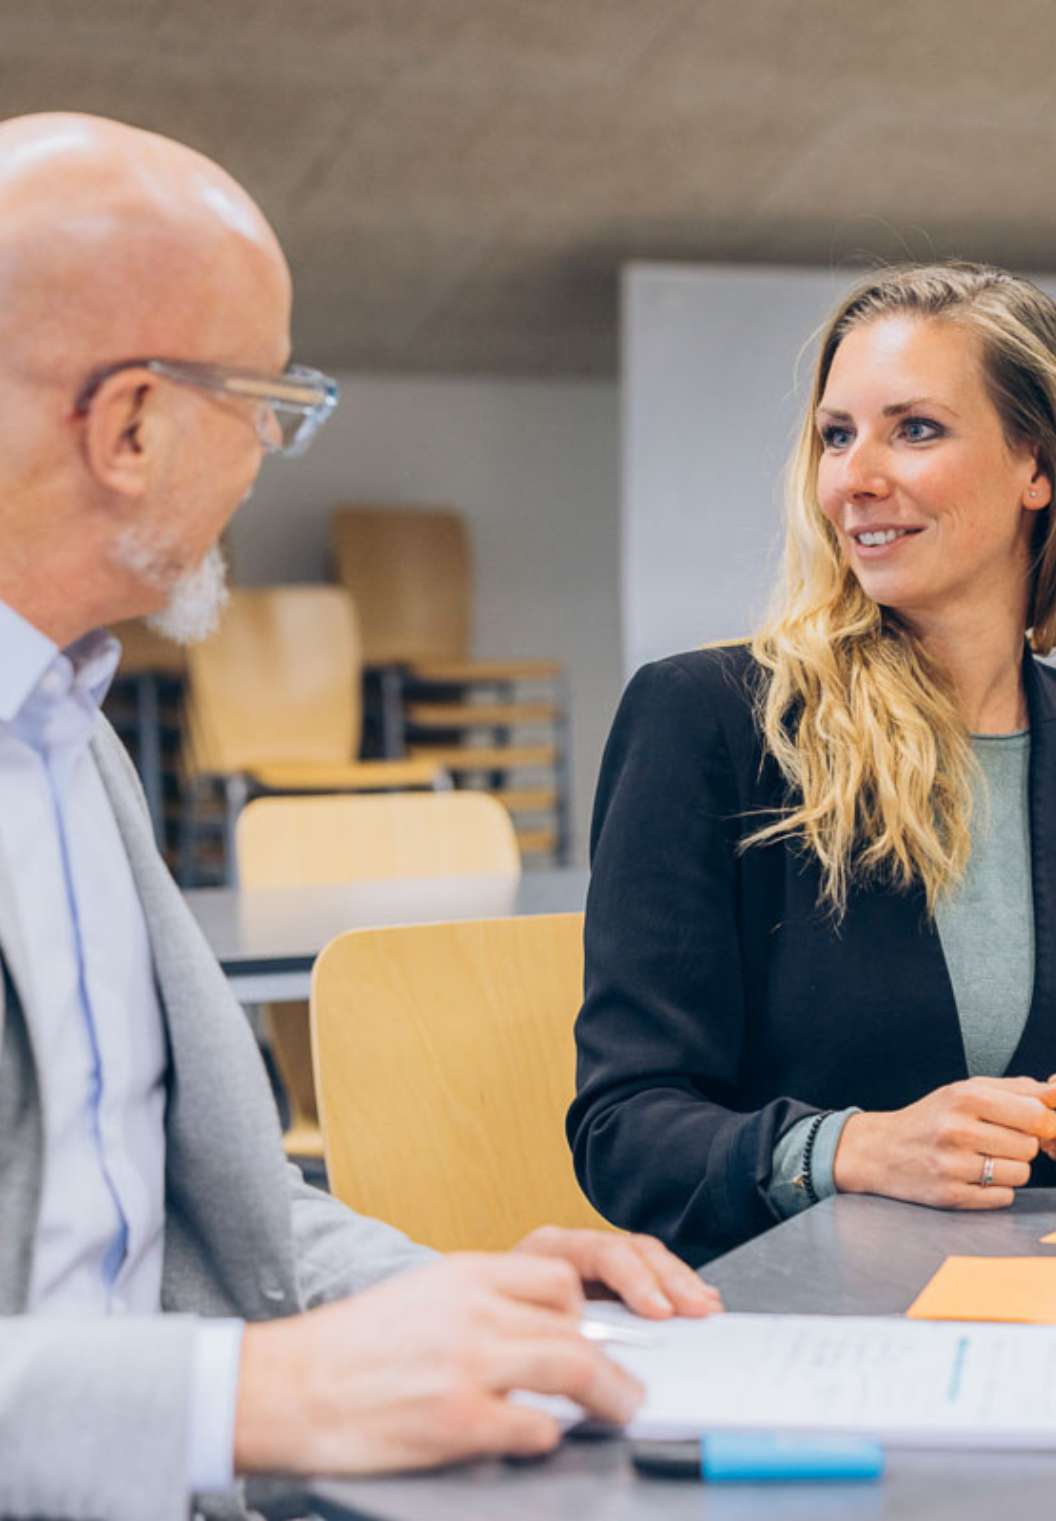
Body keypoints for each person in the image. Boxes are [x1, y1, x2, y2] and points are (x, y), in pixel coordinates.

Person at [0, 112, 721, 1521]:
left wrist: (447, 1295)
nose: (272, 456)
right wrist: (259, 1397)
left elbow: (213, 1222)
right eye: (265, 406)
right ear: (133, 426)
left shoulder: (77, 752)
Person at [568, 262, 1056, 1267]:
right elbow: (625, 1132)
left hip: (1054, 1320)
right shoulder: (708, 720)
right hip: (804, 1324)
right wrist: (857, 1147)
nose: (854, 478)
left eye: (913, 429)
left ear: (1033, 467)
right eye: (837, 435)